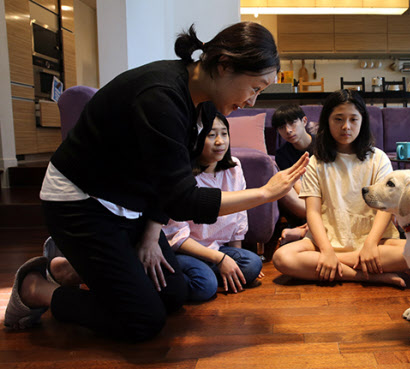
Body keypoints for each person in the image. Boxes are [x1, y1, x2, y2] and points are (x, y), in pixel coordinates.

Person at [5, 22, 308, 342]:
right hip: (80, 201)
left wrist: (150, 234)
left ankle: (69, 269)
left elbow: (168, 179)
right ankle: (37, 288)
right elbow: (183, 199)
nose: (252, 102)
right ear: (225, 66)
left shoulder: (203, 104)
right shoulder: (161, 96)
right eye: (255, 88)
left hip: (129, 203)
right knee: (142, 320)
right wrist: (263, 193)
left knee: (172, 293)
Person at [272, 89, 409, 286]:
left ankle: (338, 266)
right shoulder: (316, 162)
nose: (346, 126)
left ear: (363, 122)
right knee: (282, 258)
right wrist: (326, 251)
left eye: (353, 119)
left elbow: (385, 209)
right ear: (327, 121)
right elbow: (313, 213)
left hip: (374, 242)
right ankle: (365, 275)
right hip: (324, 243)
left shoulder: (378, 158)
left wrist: (369, 245)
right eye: (338, 119)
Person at [163, 102, 263, 301]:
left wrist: (237, 260)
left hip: (217, 248)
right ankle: (200, 275)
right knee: (204, 286)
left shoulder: (234, 167)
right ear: (195, 138)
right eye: (211, 135)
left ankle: (213, 273)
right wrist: (222, 259)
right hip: (185, 250)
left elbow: (239, 215)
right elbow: (176, 236)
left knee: (252, 265)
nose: (220, 141)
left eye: (224, 134)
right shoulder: (182, 175)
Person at [271, 104, 314, 244]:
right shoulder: (282, 154)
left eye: (292, 123)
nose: (288, 131)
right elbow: (296, 183)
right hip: (305, 200)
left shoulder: (323, 144)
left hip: (327, 194)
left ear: (304, 121)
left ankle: (303, 231)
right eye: (282, 127)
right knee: (282, 189)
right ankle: (314, 224)